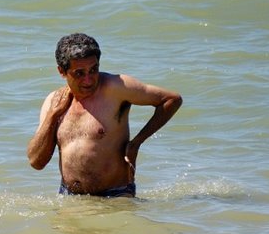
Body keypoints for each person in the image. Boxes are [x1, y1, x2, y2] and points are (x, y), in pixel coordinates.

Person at [27, 33, 182, 197]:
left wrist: (136, 143)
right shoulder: (54, 102)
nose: (88, 80)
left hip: (116, 195)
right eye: (79, 73)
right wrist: (53, 115)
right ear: (62, 71)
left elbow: (171, 100)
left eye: (93, 70)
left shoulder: (116, 88)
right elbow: (36, 162)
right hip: (69, 197)